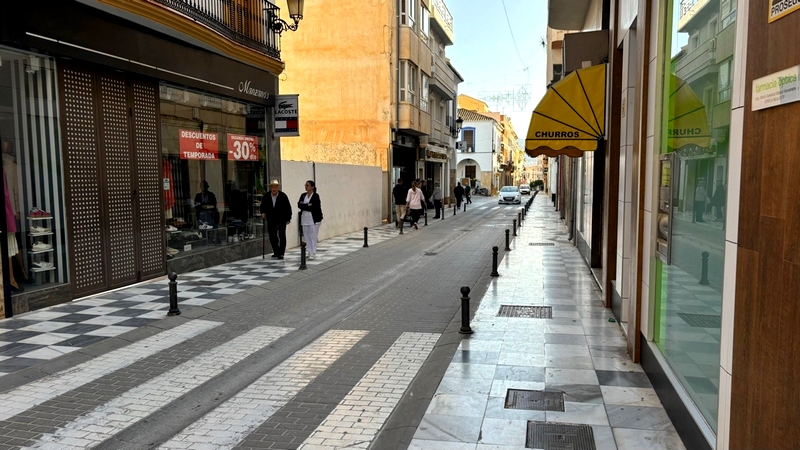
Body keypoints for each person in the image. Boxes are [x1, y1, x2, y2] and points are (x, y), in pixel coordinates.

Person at [260, 179, 292, 259]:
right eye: (272, 187)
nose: (274, 189)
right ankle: (276, 251)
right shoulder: (266, 196)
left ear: (278, 188)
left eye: (275, 187)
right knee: (272, 235)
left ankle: (281, 253)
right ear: (270, 188)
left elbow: (288, 208)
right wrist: (263, 212)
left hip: (281, 218)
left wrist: (288, 218)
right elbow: (262, 206)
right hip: (271, 218)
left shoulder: (283, 196)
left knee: (282, 235)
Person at [297, 180, 323, 260]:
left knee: (313, 235)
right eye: (305, 185)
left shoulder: (315, 196)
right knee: (306, 235)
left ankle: (313, 252)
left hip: (314, 219)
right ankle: (309, 251)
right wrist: (307, 205)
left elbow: (314, 206)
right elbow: (299, 204)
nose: (306, 186)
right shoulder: (303, 195)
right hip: (305, 218)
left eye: (307, 185)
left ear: (312, 187)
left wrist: (305, 206)